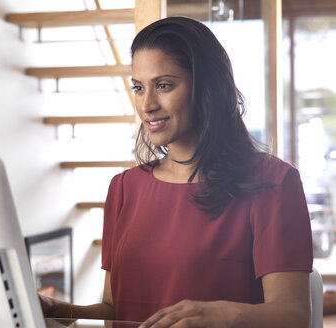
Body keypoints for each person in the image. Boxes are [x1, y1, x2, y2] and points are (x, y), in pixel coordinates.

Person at [39, 16, 313, 327]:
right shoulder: (125, 187)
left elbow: (294, 316)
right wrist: (57, 310)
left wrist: (220, 315)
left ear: (207, 87)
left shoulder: (273, 182)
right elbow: (116, 311)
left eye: (164, 85)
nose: (147, 105)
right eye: (139, 88)